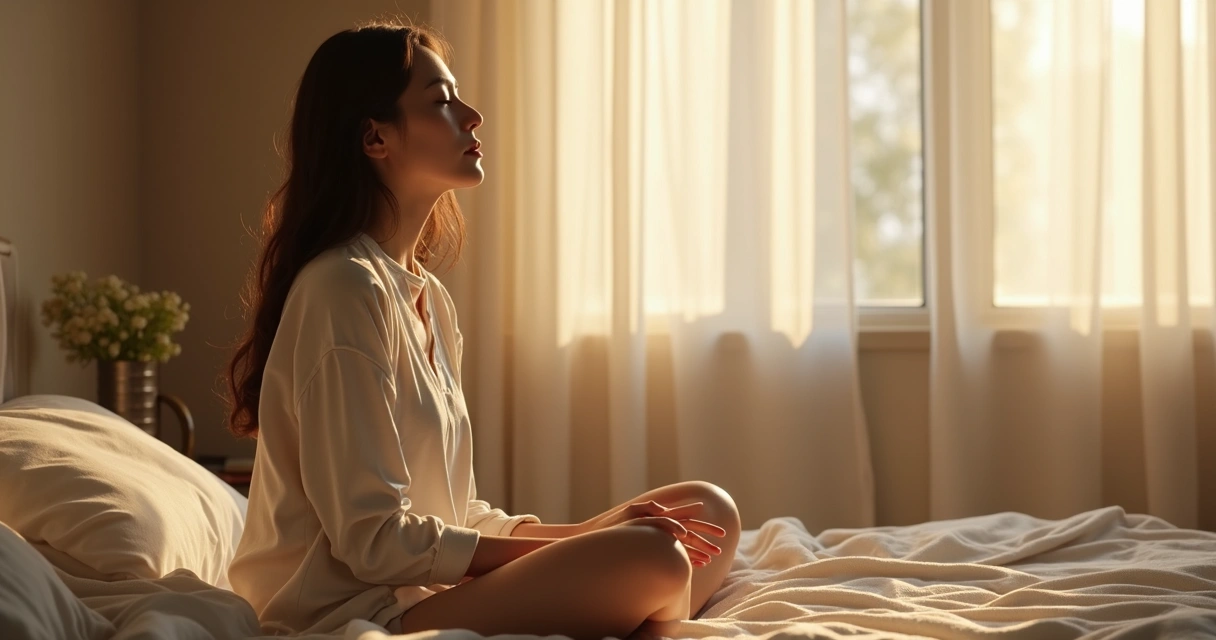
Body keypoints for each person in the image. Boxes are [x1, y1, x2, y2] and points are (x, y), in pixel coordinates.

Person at [225, 20, 741, 639]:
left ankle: (639, 606)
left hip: (431, 590)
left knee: (709, 510)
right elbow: (375, 543)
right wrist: (589, 544)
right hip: (357, 612)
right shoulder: (341, 288)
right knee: (656, 556)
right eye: (441, 102)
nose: (473, 117)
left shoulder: (430, 300)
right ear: (375, 137)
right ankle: (646, 608)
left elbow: (459, 515)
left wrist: (590, 533)